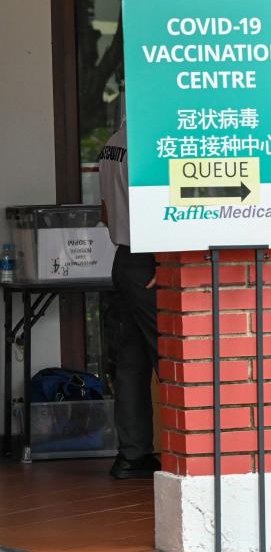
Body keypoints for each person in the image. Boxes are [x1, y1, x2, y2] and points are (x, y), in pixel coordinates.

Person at [98, 112, 161, 479]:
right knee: (169, 357)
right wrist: (162, 263)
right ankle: (185, 455)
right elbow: (158, 209)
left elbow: (107, 214)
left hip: (123, 258)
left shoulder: (111, 144)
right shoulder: (150, 145)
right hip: (151, 262)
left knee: (131, 363)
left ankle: (132, 455)